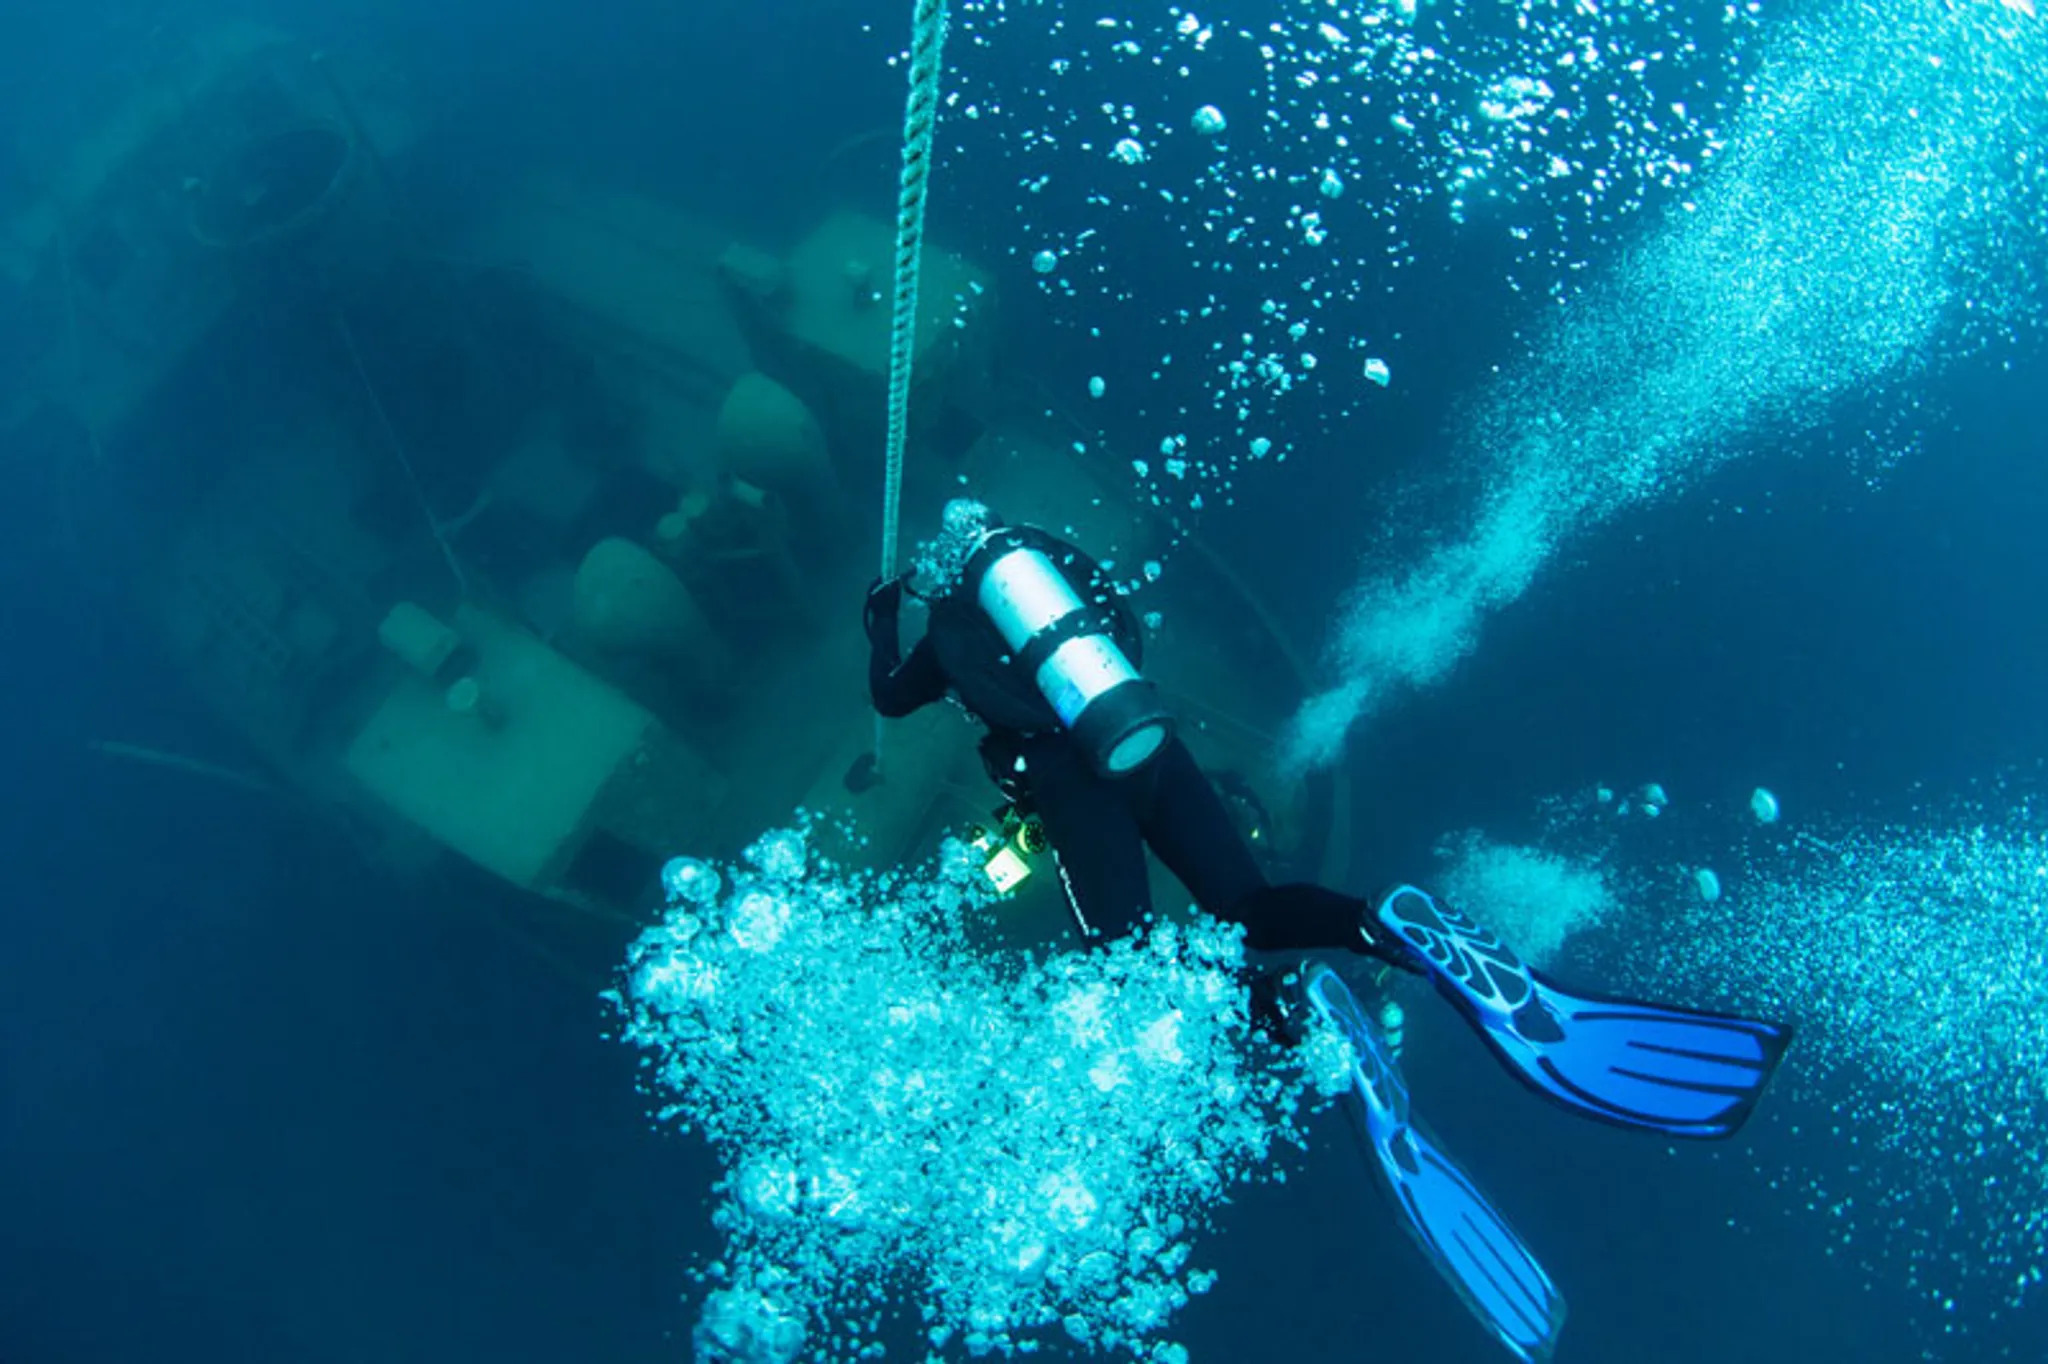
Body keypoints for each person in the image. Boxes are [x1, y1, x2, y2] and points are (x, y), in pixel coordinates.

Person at [865, 499, 1791, 1363]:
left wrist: (882, 626)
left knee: (1132, 963)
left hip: (1075, 789)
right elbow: (1129, 633)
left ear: (951, 572)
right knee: (1250, 902)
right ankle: (1376, 924)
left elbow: (891, 699)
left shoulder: (948, 634)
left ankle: (1296, 1012)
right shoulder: (1058, 572)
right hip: (1151, 743)